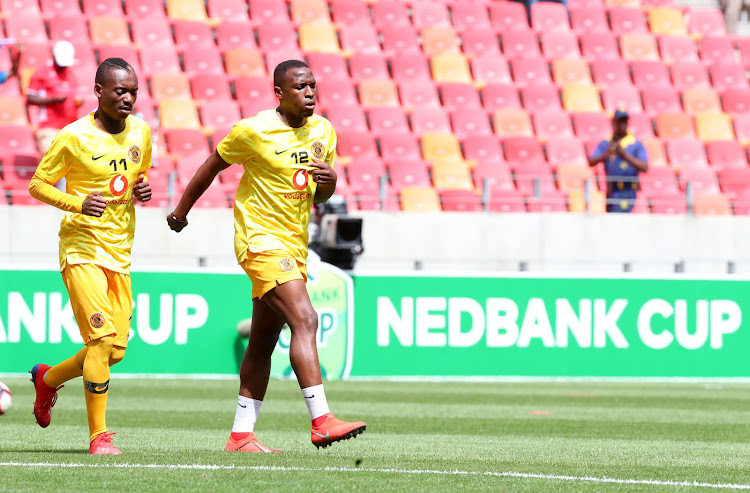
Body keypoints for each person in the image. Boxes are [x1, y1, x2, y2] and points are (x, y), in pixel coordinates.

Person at [166, 59, 366, 453]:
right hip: (260, 242)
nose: (310, 93)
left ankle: (241, 435)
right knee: (306, 318)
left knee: (261, 342)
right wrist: (181, 211)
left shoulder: (322, 131)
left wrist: (331, 183)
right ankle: (322, 420)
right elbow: (211, 166)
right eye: (300, 87)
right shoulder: (253, 130)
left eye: (313, 85)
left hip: (294, 245)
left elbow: (318, 195)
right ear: (279, 93)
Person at [27, 58, 152, 455]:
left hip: (120, 252)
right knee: (100, 340)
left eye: (133, 90)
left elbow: (138, 174)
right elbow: (37, 184)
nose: (128, 98)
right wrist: (77, 202)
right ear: (99, 92)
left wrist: (141, 189)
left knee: (115, 350)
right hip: (81, 248)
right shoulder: (74, 136)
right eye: (120, 91)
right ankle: (99, 436)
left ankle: (48, 380)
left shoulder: (142, 132)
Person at [27, 40, 82, 155]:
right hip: (48, 128)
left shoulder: (70, 73)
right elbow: (30, 98)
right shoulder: (42, 73)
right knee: (53, 165)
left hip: (69, 129)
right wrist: (53, 100)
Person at [587, 109, 648, 213]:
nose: (622, 124)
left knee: (619, 219)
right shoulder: (607, 143)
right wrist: (606, 155)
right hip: (611, 191)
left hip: (627, 190)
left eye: (624, 121)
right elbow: (591, 161)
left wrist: (624, 154)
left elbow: (644, 167)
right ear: (614, 122)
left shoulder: (635, 144)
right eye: (619, 121)